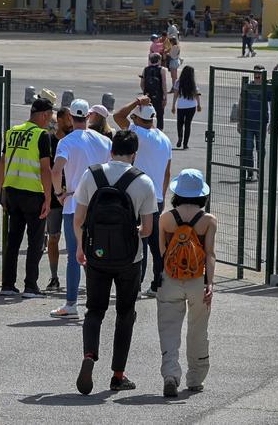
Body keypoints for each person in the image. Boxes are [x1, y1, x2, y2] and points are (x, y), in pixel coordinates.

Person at [73, 130, 158, 394]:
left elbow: (79, 220)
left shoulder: (92, 174)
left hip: (96, 254)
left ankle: (89, 355)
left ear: (111, 150)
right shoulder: (143, 181)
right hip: (129, 259)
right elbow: (147, 229)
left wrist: (80, 247)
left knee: (94, 310)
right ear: (134, 154)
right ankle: (118, 375)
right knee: (125, 314)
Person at [156, 169, 217, 398]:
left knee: (169, 328)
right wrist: (209, 283)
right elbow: (210, 254)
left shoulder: (166, 219)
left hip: (170, 279)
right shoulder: (208, 221)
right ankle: (195, 378)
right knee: (198, 329)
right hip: (197, 281)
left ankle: (170, 373)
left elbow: (162, 253)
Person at [49, 100, 112, 319]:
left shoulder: (66, 142)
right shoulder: (104, 141)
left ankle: (71, 303)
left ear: (70, 117)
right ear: (88, 116)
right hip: (99, 201)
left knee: (76, 254)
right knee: (98, 252)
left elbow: (56, 171)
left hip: (74, 202)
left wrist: (58, 193)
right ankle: (98, 298)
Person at [113, 97, 173, 298]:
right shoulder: (165, 139)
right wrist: (162, 196)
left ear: (138, 119)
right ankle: (158, 283)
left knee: (139, 242)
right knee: (156, 244)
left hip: (136, 195)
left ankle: (135, 285)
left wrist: (137, 100)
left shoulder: (136, 133)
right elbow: (167, 172)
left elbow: (117, 115)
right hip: (156, 195)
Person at [0, 98, 56, 297]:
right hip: (33, 193)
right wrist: (48, 199)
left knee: (13, 240)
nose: (49, 121)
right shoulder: (41, 135)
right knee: (35, 241)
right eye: (49, 116)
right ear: (44, 115)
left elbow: (1, 163)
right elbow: (45, 169)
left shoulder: (12, 131)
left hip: (12, 191)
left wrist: (2, 190)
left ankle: (7, 285)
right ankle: (30, 285)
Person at [45, 106, 74, 291]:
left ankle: (86, 279)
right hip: (55, 198)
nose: (72, 121)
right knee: (53, 237)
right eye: (69, 117)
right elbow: (47, 169)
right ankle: (54, 277)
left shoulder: (74, 140)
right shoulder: (49, 140)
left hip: (72, 196)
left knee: (79, 239)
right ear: (61, 119)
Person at [237, 66, 268, 182]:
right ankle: (250, 172)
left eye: (260, 74)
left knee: (261, 149)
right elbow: (241, 103)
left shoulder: (266, 87)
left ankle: (260, 171)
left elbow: (275, 102)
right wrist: (239, 122)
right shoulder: (247, 86)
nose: (257, 76)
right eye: (255, 73)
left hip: (261, 124)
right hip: (248, 123)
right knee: (248, 149)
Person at [171, 65, 202, 149]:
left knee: (179, 123)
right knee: (188, 124)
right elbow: (196, 95)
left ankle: (180, 137)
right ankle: (185, 143)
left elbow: (175, 95)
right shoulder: (193, 83)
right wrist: (199, 105)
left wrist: (173, 105)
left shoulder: (178, 82)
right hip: (191, 106)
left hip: (181, 106)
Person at [139, 53, 171, 131]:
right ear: (159, 60)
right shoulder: (162, 69)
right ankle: (159, 130)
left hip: (147, 95)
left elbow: (141, 83)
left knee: (147, 113)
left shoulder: (146, 69)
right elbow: (164, 83)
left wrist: (145, 92)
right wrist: (165, 97)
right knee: (160, 114)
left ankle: (147, 128)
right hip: (158, 95)